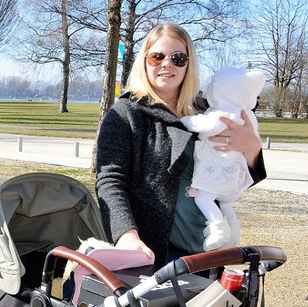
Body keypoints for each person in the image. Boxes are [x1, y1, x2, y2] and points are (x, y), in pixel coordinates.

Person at [96, 23, 266, 265]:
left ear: (188, 64)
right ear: (144, 61)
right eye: (157, 57)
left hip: (209, 246)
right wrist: (126, 235)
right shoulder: (126, 112)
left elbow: (230, 175)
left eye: (178, 58)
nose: (167, 64)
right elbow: (110, 180)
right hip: (153, 250)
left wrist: (252, 149)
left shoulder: (208, 110)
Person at [180, 67, 265, 251]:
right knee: (224, 202)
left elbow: (206, 125)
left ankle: (218, 230)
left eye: (179, 59)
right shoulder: (246, 113)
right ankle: (232, 230)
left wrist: (186, 120)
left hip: (215, 174)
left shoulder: (218, 112)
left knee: (204, 198)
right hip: (233, 177)